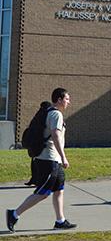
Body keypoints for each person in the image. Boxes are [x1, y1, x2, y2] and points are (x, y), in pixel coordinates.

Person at [6, 88, 77, 232]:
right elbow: (56, 136)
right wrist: (64, 157)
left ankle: (60, 221)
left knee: (59, 190)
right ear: (59, 99)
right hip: (48, 159)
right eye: (67, 99)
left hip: (51, 159)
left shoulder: (50, 112)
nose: (69, 102)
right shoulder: (56, 114)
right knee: (43, 192)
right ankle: (14, 214)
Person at [24, 101, 52, 186]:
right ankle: (38, 180)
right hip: (40, 142)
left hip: (33, 142)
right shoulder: (46, 115)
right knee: (40, 162)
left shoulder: (37, 115)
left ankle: (34, 178)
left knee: (34, 160)